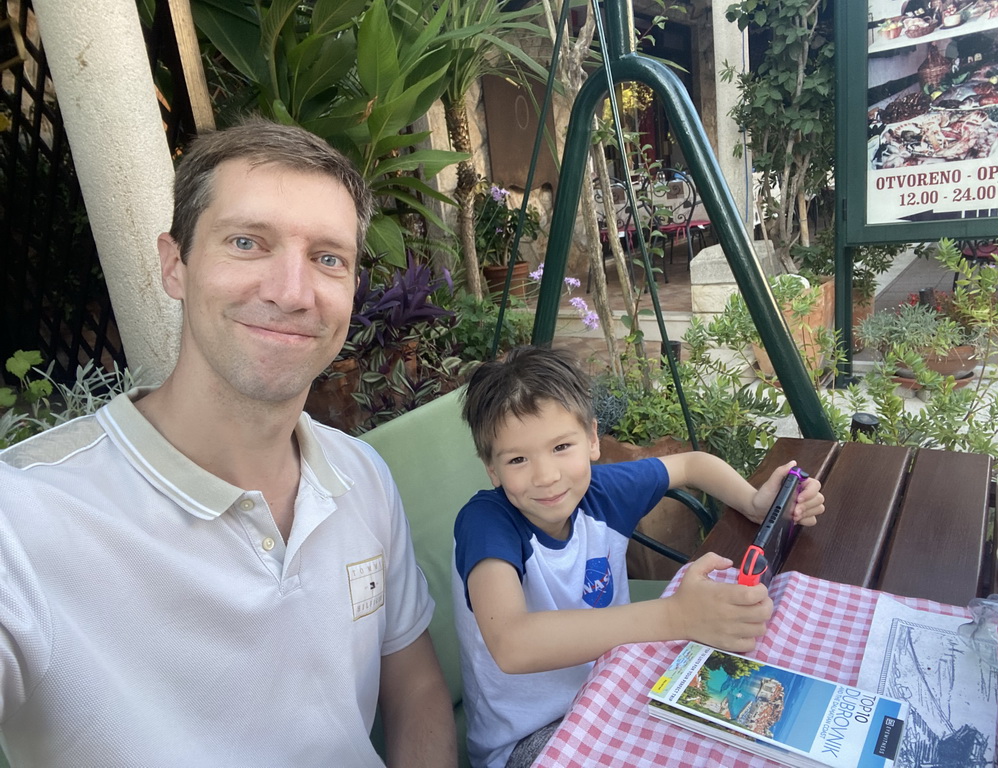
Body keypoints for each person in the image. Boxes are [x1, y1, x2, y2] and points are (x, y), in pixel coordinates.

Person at [0, 118, 456, 767]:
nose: (292, 293)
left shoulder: (360, 477)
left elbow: (415, 687)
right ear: (175, 265)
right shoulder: (25, 519)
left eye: (328, 258)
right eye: (247, 242)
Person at [452, 346, 825, 768]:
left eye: (561, 446)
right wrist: (675, 616)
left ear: (592, 439)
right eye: (517, 459)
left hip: (618, 685)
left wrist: (754, 502)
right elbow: (512, 644)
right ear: (492, 469)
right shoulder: (485, 522)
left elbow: (692, 464)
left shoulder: (602, 492)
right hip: (531, 738)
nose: (546, 475)